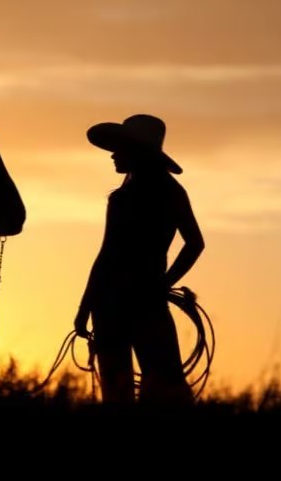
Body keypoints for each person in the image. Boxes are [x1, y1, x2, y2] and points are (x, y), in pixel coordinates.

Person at [74, 114, 204, 405]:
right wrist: (163, 283)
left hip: (113, 302)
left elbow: (107, 255)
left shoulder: (124, 198)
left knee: (118, 389)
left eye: (119, 149)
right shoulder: (170, 191)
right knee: (166, 384)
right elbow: (194, 243)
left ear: (136, 152)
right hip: (145, 301)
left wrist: (86, 307)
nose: (112, 155)